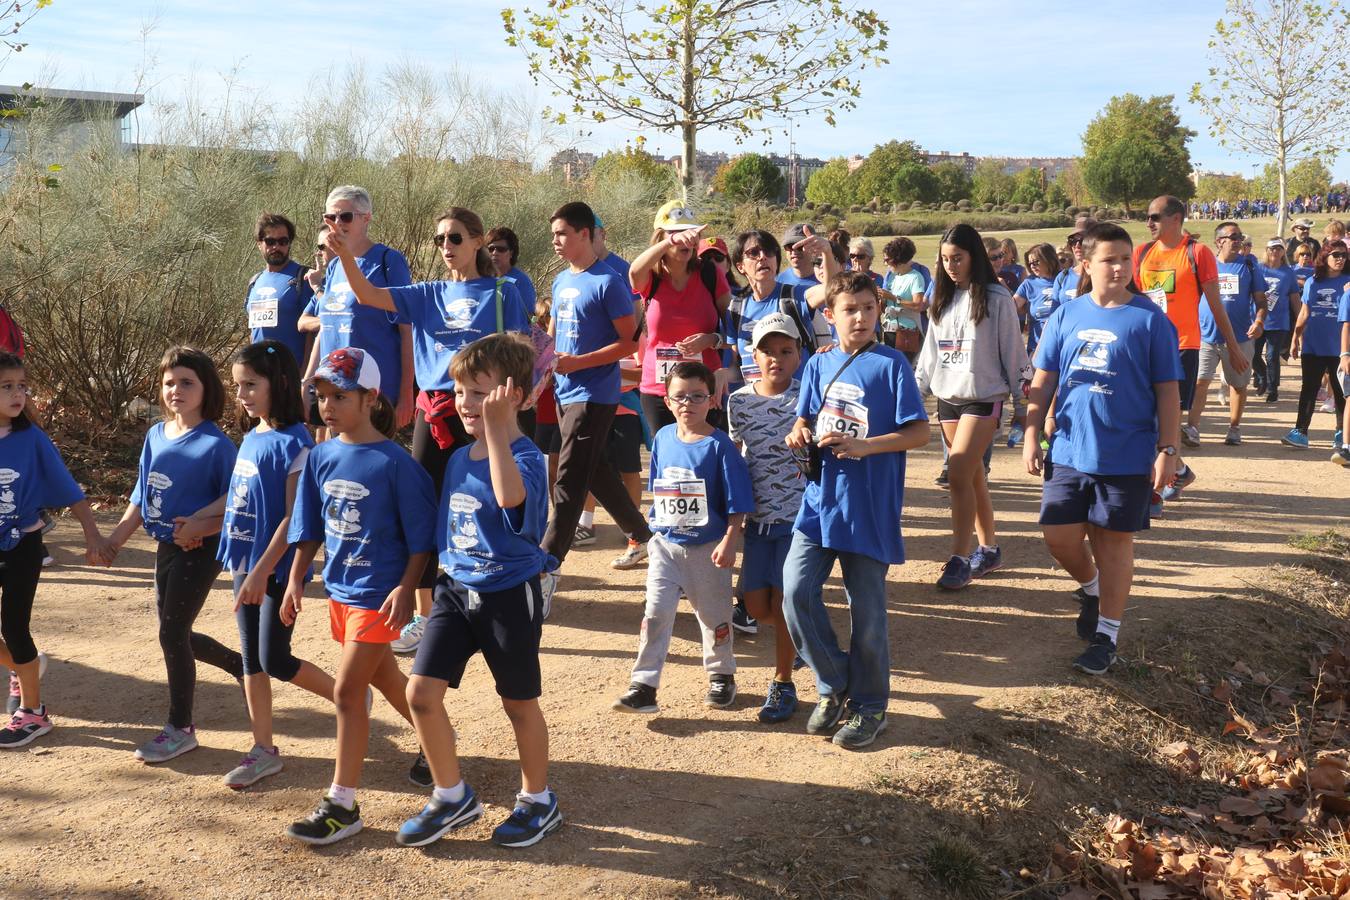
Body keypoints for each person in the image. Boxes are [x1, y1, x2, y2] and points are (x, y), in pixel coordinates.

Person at [335, 206, 531, 656]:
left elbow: (521, 355)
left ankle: (502, 591)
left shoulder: (503, 292)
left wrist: (511, 408)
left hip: (488, 411)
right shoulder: (426, 293)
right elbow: (366, 294)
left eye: (456, 238)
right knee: (422, 506)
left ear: (478, 241)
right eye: (441, 239)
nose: (447, 247)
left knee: (492, 501)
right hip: (439, 409)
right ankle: (425, 612)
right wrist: (345, 254)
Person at [397, 334, 563, 849]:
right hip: (454, 590)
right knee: (420, 694)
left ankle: (538, 800)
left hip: (507, 595)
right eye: (459, 391)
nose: (465, 402)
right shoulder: (457, 458)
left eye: (477, 392)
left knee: (518, 703)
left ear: (512, 394)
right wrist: (412, 586)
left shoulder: (527, 456)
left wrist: (495, 434)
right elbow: (445, 527)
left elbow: (511, 498)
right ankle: (452, 796)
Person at [281, 347, 437, 845]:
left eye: (340, 396)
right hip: (341, 591)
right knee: (389, 678)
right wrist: (294, 579)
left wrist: (408, 587)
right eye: (322, 396)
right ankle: (439, 748)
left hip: (380, 595)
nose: (328, 405)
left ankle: (342, 805)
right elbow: (308, 528)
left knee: (349, 693)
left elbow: (421, 537)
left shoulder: (398, 463)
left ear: (371, 398)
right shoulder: (321, 456)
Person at [1023, 222, 1182, 674]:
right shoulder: (1066, 315)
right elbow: (1044, 380)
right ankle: (1091, 588)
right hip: (1069, 449)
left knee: (1114, 545)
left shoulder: (1150, 319)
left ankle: (1106, 636)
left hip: (1127, 454)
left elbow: (1168, 390)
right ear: (1087, 264)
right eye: (1109, 259)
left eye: (1125, 258)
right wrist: (1033, 432)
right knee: (1059, 538)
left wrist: (1167, 449)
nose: (1118, 267)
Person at [783, 271, 929, 749]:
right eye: (850, 309)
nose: (861, 317)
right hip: (818, 500)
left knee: (866, 612)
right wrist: (798, 431)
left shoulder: (892, 366)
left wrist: (867, 447)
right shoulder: (819, 363)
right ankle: (833, 682)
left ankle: (870, 707)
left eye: (869, 308)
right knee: (795, 592)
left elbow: (919, 433)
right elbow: (804, 416)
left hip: (868, 505)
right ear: (830, 315)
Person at [106, 347, 246, 764]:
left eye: (187, 382)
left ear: (207, 389)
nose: (176, 390)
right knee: (175, 630)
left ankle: (180, 728)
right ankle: (239, 664)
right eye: (169, 382)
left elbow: (237, 500)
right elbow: (140, 493)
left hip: (200, 550)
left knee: (171, 632)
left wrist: (201, 526)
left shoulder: (217, 445)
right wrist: (114, 540)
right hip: (165, 546)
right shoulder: (155, 434)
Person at [215, 340, 336, 788]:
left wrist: (265, 571)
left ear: (280, 383)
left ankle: (349, 700)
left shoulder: (297, 442)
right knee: (252, 661)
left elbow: (294, 518)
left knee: (274, 656)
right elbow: (240, 497)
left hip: (275, 569)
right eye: (237, 386)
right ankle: (262, 749)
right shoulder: (252, 436)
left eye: (251, 384)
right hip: (245, 563)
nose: (242, 394)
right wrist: (204, 520)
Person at [612, 361, 754, 715]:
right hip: (666, 544)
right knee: (655, 614)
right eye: (680, 397)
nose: (688, 403)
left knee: (713, 615)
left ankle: (722, 674)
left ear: (711, 400)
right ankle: (643, 685)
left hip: (707, 549)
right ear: (668, 400)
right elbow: (660, 486)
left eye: (697, 396)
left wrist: (729, 539)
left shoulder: (720, 447)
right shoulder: (661, 437)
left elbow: (738, 500)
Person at [0, 351, 110, 747]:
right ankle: (23, 666)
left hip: (22, 546)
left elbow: (67, 488)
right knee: (15, 646)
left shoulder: (31, 439)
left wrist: (93, 534)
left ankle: (33, 713)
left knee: (14, 628)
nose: (18, 395)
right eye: (7, 387)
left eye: (22, 387)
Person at [914, 225, 1028, 590]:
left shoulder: (996, 298)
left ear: (973, 256)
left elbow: (1014, 353)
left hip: (984, 397)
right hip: (948, 399)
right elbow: (929, 357)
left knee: (959, 474)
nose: (951, 266)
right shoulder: (940, 299)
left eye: (958, 258)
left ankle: (960, 558)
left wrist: (1022, 406)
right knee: (973, 475)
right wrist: (911, 396)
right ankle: (989, 549)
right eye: (945, 259)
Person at [542, 202, 652, 578]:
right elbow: (554, 337)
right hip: (563, 390)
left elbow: (629, 345)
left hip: (595, 394)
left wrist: (578, 363)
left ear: (585, 234)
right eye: (554, 233)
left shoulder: (608, 282)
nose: (555, 240)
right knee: (596, 472)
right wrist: (542, 367)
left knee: (570, 477)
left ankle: (547, 563)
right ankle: (642, 534)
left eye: (562, 234)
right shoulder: (560, 281)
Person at [1135, 195, 1248, 514]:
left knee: (1166, 420)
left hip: (1182, 347)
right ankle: (1179, 472)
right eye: (1148, 217)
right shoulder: (1141, 253)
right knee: (1146, 419)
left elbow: (1216, 304)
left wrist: (1233, 346)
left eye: (1155, 217)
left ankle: (1161, 487)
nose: (1149, 223)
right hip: (1145, 347)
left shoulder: (1197, 253)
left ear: (1175, 219)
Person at [726, 314, 806, 723]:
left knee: (787, 602)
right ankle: (806, 637)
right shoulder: (738, 401)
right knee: (757, 608)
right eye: (767, 351)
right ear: (752, 354)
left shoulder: (808, 396)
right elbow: (735, 457)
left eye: (785, 351)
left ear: (798, 355)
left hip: (799, 522)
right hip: (758, 523)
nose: (776, 358)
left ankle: (783, 681)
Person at [302, 185, 415, 432]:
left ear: (366, 219)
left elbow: (407, 330)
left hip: (373, 394)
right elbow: (326, 328)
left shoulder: (388, 261)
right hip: (333, 391)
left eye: (345, 216)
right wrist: (308, 381)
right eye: (330, 217)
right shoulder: (333, 268)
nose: (337, 223)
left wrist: (406, 395)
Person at [630, 201, 731, 433]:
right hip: (659, 390)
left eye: (692, 232)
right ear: (661, 238)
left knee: (704, 456)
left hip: (704, 388)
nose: (688, 238)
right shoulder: (652, 279)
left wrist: (711, 339)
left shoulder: (709, 273)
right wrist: (670, 242)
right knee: (669, 458)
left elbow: (736, 331)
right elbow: (634, 272)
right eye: (677, 232)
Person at [1188, 222, 1265, 446]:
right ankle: (1192, 428)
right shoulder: (1204, 265)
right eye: (1234, 236)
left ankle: (1234, 428)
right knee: (1200, 382)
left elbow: (1261, 301)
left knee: (1238, 384)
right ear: (1219, 241)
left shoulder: (1249, 266)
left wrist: (1259, 320)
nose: (1239, 240)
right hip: (1205, 336)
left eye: (1240, 236)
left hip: (1240, 337)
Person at [728, 229, 833, 384]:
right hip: (756, 403)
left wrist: (827, 253)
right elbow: (737, 367)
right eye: (753, 253)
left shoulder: (793, 297)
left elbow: (832, 290)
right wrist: (721, 375)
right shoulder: (736, 309)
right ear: (740, 266)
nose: (763, 257)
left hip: (797, 404)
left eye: (769, 251)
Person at [1282, 241, 1349, 450]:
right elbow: (1304, 312)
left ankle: (1341, 434)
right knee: (1309, 389)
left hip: (1340, 349)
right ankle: (1301, 432)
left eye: (1344, 255)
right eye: (1336, 254)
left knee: (1341, 393)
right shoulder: (1313, 282)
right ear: (1325, 257)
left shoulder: (1349, 281)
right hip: (1313, 345)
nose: (1340, 259)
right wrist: (1295, 338)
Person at [246, 213, 313, 367]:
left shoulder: (304, 278)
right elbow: (254, 331)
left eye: (283, 241)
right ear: (259, 243)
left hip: (291, 374)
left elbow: (313, 333)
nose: (276, 247)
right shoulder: (254, 282)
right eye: (270, 241)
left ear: (289, 243)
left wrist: (305, 376)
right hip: (260, 373)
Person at [1254, 238, 1300, 403]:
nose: (1275, 251)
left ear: (1283, 252)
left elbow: (1295, 298)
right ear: (1266, 250)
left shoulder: (1288, 273)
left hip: (1279, 321)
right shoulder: (1258, 269)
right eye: (1272, 249)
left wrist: (1300, 320)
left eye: (1279, 249)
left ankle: (1273, 390)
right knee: (1253, 354)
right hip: (1258, 320)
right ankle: (1261, 375)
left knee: (1272, 356)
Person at [880, 237, 926, 362]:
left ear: (898, 259)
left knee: (905, 367)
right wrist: (881, 300)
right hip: (890, 330)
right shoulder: (892, 277)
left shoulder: (915, 277)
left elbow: (918, 305)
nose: (885, 263)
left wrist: (893, 298)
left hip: (908, 332)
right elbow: (885, 306)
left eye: (887, 260)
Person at [486, 226, 538, 312]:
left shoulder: (521, 281)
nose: (495, 253)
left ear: (511, 253)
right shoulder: (481, 278)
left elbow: (527, 315)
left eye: (501, 249)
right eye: (490, 249)